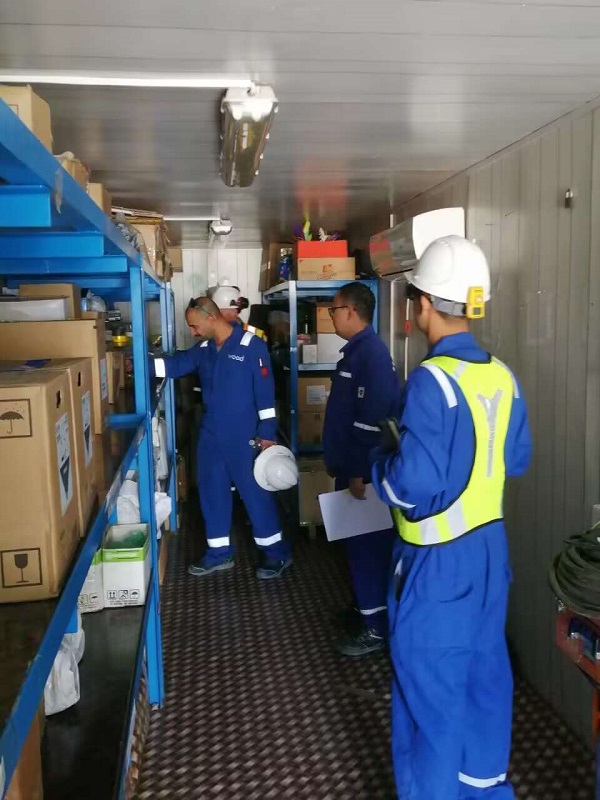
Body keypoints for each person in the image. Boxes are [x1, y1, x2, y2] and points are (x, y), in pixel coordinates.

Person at [371, 236, 532, 799]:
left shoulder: (431, 380)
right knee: (484, 685)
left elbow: (411, 485)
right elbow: (516, 458)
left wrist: (381, 467)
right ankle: (485, 791)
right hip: (489, 560)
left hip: (436, 566)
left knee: (430, 701)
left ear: (423, 305)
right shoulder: (502, 376)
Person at [153, 296, 292, 579]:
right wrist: (141, 362)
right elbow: (175, 366)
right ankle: (218, 554)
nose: (192, 332)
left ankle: (276, 554)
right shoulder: (204, 350)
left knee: (256, 496)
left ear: (211, 318)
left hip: (246, 437)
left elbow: (265, 395)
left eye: (194, 326)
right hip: (211, 436)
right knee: (212, 492)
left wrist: (267, 435)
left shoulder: (251, 346)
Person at [322, 282, 402, 657]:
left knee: (368, 549)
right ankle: (365, 610)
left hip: (362, 473)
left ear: (351, 312)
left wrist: (364, 473)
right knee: (356, 547)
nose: (331, 316)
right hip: (350, 468)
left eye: (334, 310)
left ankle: (376, 627)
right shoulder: (356, 353)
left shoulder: (372, 355)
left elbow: (376, 423)